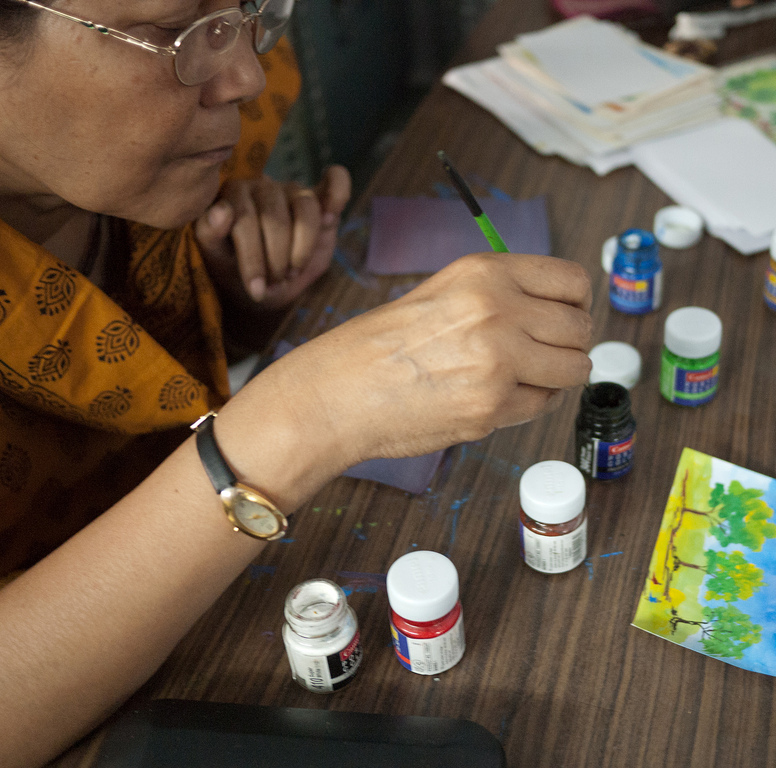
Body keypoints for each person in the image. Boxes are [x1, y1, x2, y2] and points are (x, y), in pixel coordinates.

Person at [0, 2, 593, 766]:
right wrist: (303, 413)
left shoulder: (139, 150)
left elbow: (126, 370)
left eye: (252, 9)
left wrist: (237, 300)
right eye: (172, 35)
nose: (245, 75)